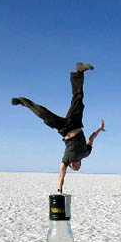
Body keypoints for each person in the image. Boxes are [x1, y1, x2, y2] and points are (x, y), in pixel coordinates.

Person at [11, 62, 105, 193]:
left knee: (44, 115)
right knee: (78, 98)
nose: (76, 168)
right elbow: (91, 138)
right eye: (77, 168)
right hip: (76, 123)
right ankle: (79, 72)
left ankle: (24, 101)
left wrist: (59, 190)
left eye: (74, 169)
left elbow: (61, 175)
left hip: (64, 129)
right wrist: (99, 129)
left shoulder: (66, 160)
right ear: (79, 164)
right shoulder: (86, 153)